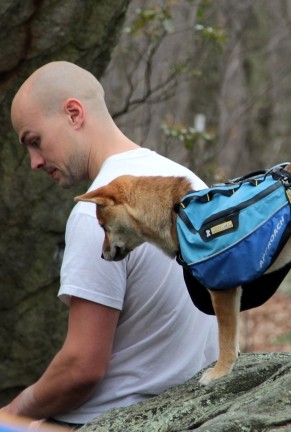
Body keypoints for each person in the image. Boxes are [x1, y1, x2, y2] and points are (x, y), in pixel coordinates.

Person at [0, 61, 219, 428]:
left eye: (35, 142)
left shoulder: (97, 213)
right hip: (193, 412)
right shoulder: (190, 184)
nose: (34, 162)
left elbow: (81, 368)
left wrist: (14, 412)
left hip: (113, 420)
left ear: (73, 113)